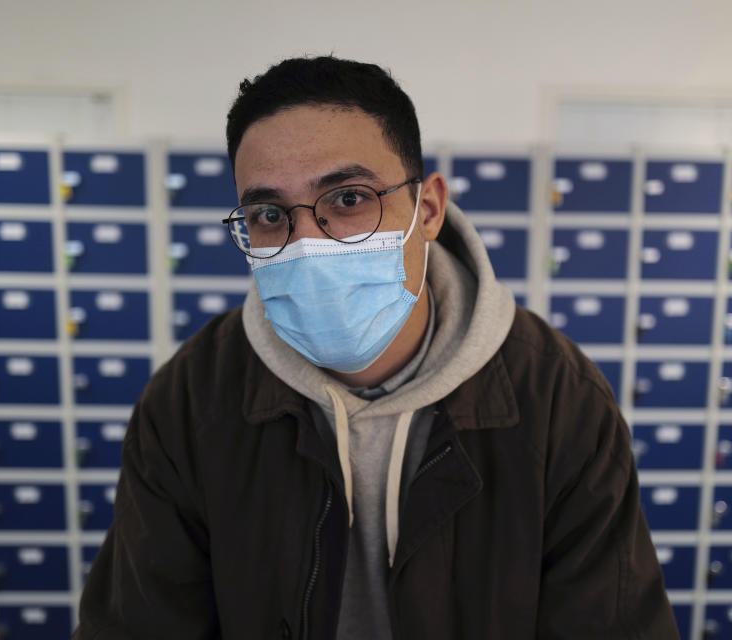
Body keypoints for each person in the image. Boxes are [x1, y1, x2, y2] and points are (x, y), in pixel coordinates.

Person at [75, 56, 678, 640]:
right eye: (267, 212)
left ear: (429, 209)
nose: (307, 242)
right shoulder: (191, 399)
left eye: (348, 199)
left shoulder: (557, 398)